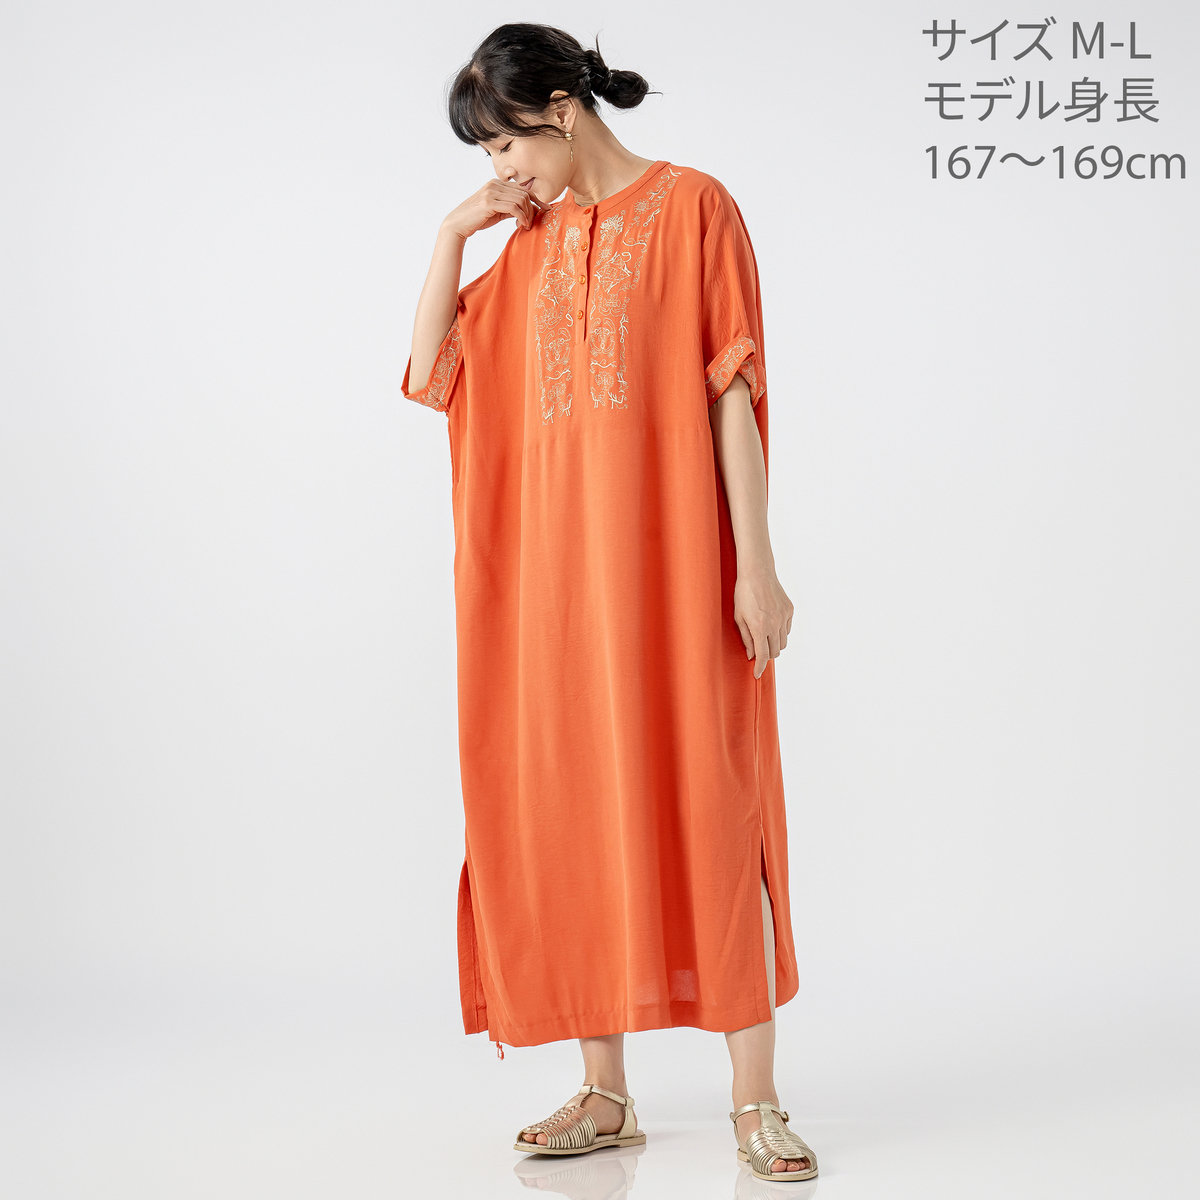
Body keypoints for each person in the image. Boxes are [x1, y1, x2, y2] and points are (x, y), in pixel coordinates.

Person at [402, 23, 817, 1182]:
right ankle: (605, 1092)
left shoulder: (694, 210)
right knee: (573, 810)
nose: (501, 171)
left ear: (561, 110)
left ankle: (755, 1101)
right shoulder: (524, 251)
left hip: (677, 574)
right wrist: (452, 235)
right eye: (486, 155)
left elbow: (731, 386)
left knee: (713, 804)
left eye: (504, 145)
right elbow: (432, 372)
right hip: (551, 596)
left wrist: (755, 562)